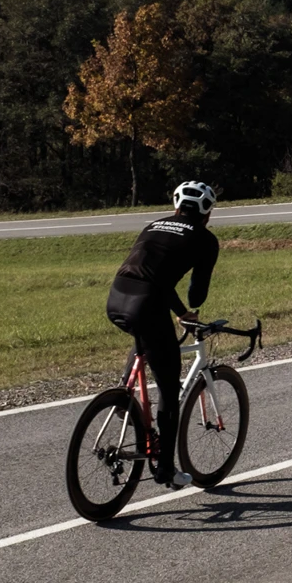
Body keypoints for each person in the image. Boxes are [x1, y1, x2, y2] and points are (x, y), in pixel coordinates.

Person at [106, 181, 220, 488]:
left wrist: (179, 313)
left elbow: (154, 277)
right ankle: (167, 470)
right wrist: (190, 308)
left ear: (176, 206)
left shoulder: (153, 225)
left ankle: (124, 398)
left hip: (117, 298)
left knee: (144, 339)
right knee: (169, 390)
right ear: (207, 212)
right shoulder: (206, 240)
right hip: (148, 304)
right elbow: (197, 294)